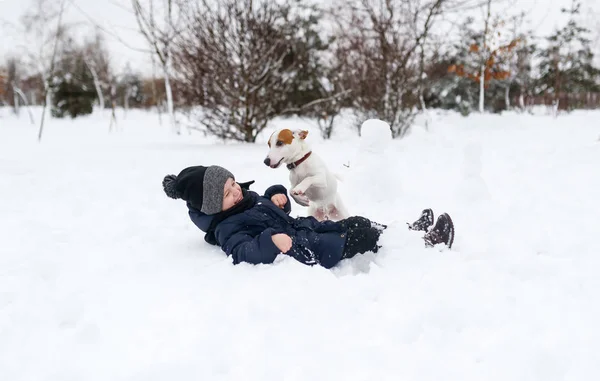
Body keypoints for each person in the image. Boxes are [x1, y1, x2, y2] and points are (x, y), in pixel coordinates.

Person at [162, 165, 454, 269]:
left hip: (307, 228)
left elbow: (273, 210)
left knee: (359, 222)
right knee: (360, 236)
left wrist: (278, 196)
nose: (236, 190)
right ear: (213, 207)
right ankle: (425, 244)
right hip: (305, 248)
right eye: (227, 193)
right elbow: (242, 251)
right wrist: (270, 241)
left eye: (233, 183)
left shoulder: (246, 200)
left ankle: (405, 232)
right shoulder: (226, 227)